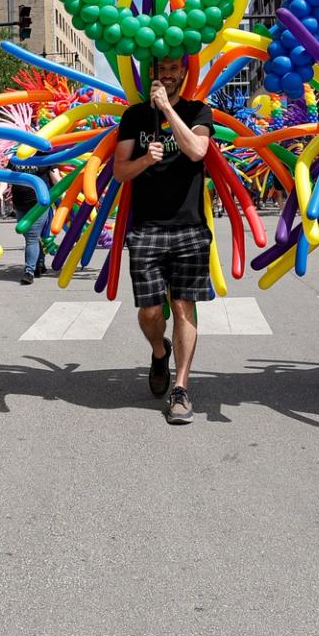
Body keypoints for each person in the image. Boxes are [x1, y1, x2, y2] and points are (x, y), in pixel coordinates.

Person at [114, 56, 215, 426]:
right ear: (151, 73)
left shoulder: (198, 111)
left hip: (189, 225)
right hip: (146, 228)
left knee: (184, 306)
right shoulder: (134, 117)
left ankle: (182, 387)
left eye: (174, 69)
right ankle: (160, 351)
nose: (168, 75)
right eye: (161, 69)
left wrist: (169, 111)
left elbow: (196, 151)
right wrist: (144, 160)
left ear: (184, 74)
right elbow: (119, 171)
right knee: (150, 311)